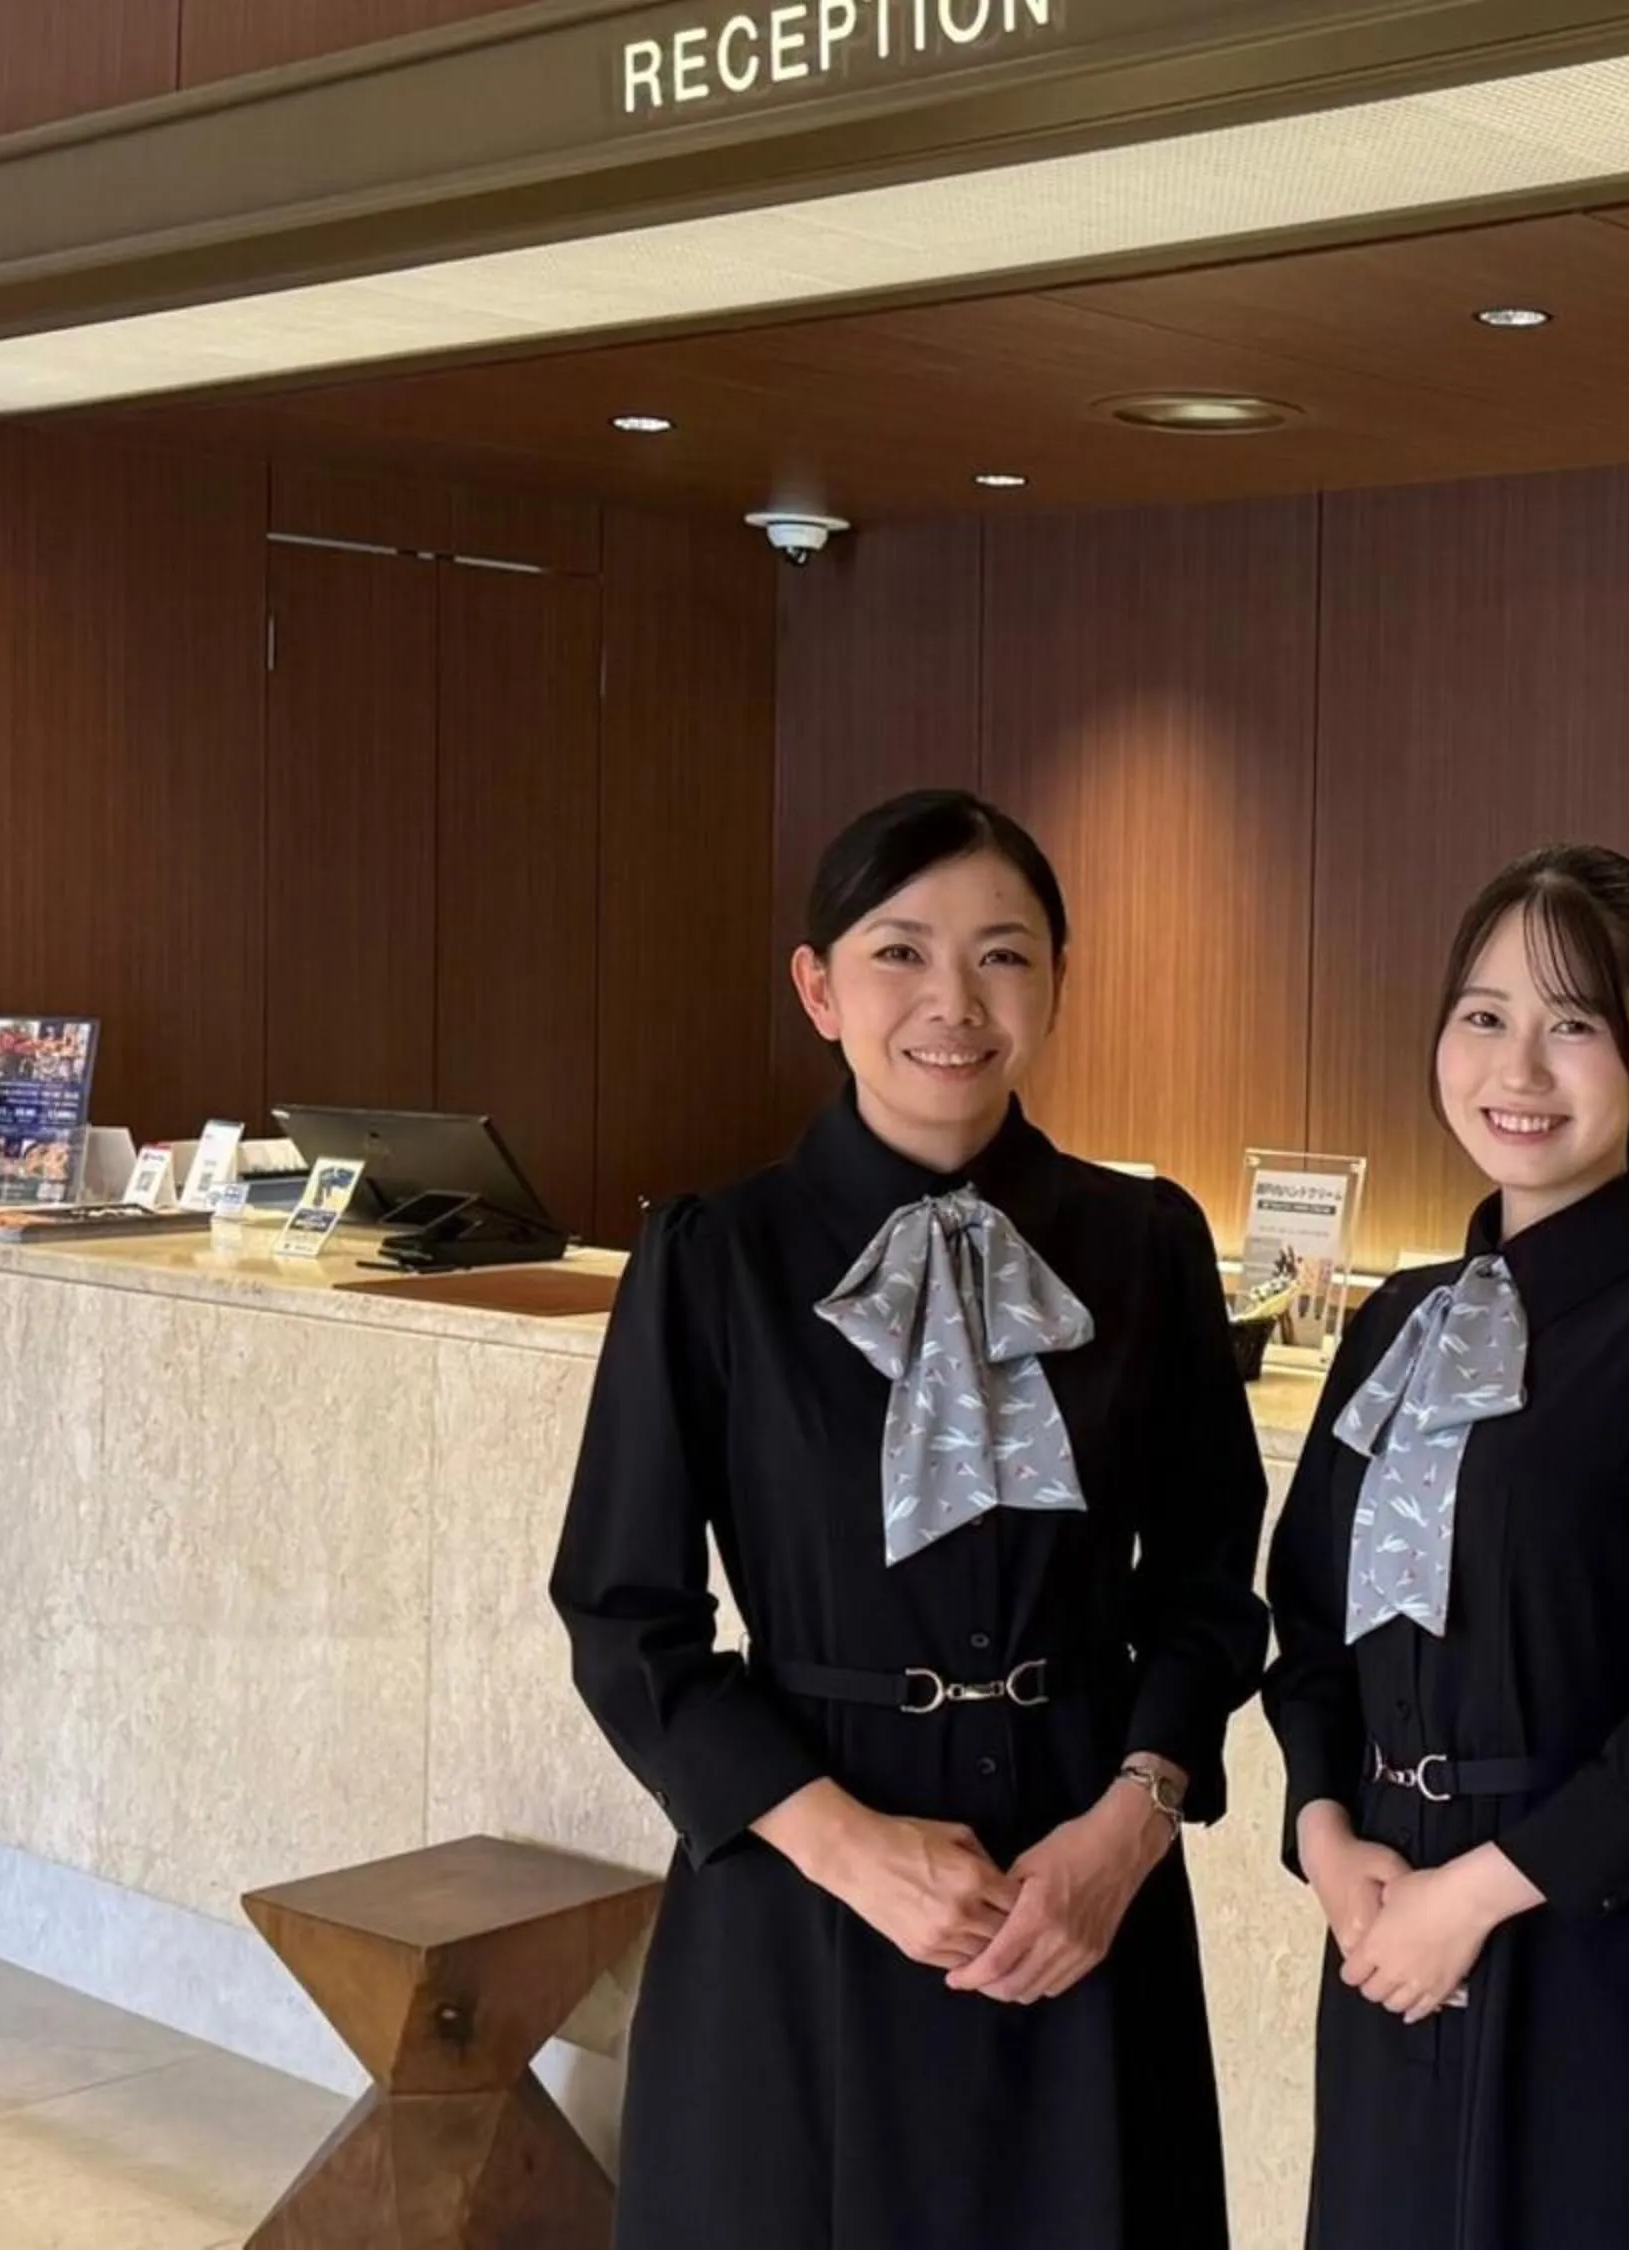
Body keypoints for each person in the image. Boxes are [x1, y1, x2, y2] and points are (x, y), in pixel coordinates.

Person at [552, 788, 1270, 2250]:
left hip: (1080, 1880)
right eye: (900, 953)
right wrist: (841, 1844)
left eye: (1003, 954)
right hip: (799, 1883)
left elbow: (1208, 1583)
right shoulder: (712, 1257)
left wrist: (1130, 1829)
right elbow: (625, 1618)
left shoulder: (1146, 1246)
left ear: (1060, 979)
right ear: (819, 985)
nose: (953, 1000)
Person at [1264, 843, 1629, 2250]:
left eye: (1574, 1021)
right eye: (1485, 1014)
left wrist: (1474, 1896)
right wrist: (1329, 1837)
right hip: (1383, 1944)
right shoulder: (1396, 1318)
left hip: (1584, 1949)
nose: (1520, 1065)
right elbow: (1311, 1628)